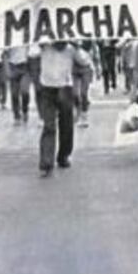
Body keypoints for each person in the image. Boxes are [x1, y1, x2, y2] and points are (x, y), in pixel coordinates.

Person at [38, 41, 87, 177]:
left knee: (66, 124)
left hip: (64, 87)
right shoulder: (44, 46)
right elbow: (32, 53)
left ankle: (63, 156)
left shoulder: (71, 48)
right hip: (47, 87)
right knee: (49, 126)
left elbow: (84, 61)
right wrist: (40, 44)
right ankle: (47, 162)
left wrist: (77, 47)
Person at [4, 45, 31, 124]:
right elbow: (5, 53)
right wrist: (7, 69)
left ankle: (25, 110)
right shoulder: (10, 37)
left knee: (25, 90)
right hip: (13, 65)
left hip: (25, 65)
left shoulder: (26, 35)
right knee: (14, 93)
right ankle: (16, 115)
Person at [72, 41, 96, 128]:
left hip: (86, 68)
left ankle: (84, 116)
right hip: (73, 68)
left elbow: (89, 48)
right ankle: (78, 111)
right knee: (75, 94)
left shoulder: (86, 40)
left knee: (83, 93)